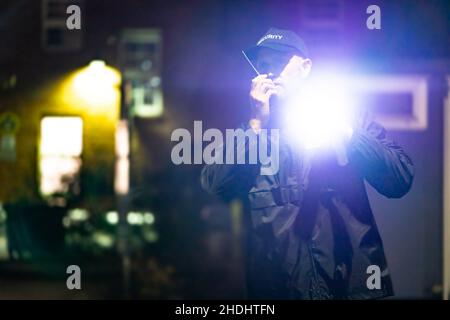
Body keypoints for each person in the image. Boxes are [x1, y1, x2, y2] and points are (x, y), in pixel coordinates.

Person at [201, 27, 414, 299]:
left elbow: (400, 180)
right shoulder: (254, 133)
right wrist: (255, 123)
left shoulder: (346, 117)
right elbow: (215, 185)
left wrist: (347, 131)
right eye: (263, 65)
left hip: (352, 289)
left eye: (279, 61)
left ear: (305, 67)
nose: (269, 71)